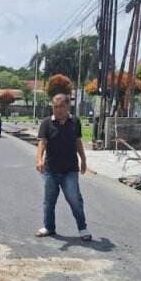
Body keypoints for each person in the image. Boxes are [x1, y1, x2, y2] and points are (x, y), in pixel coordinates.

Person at [35, 93, 92, 241]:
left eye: (61, 106)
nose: (58, 110)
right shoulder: (47, 123)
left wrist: (83, 160)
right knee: (49, 201)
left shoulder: (75, 122)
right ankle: (49, 227)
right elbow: (42, 143)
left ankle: (82, 228)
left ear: (68, 106)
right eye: (55, 107)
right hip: (51, 170)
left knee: (75, 199)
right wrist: (39, 160)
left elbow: (78, 142)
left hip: (70, 170)